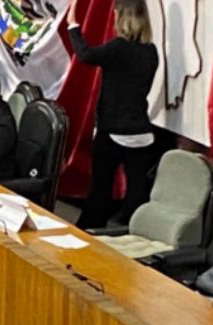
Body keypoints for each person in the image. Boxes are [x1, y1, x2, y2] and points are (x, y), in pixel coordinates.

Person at [68, 0, 159, 228]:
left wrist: (72, 25)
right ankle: (137, 234)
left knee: (100, 188)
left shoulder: (118, 48)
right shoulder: (151, 52)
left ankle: (88, 230)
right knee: (137, 191)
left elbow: (85, 55)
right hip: (142, 132)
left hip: (113, 131)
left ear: (121, 17)